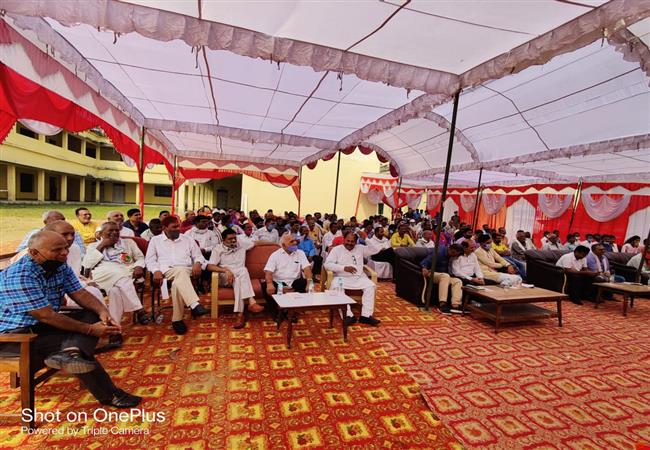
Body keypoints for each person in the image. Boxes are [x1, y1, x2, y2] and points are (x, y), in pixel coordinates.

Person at [0, 230, 141, 408]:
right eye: (57, 250)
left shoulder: (58, 265)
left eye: (66, 248)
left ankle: (70, 352)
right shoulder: (20, 276)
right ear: (34, 253)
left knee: (90, 315)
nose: (65, 253)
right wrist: (90, 330)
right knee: (79, 345)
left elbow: (80, 293)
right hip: (14, 338)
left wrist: (103, 312)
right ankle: (110, 394)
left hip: (40, 327)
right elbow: (46, 315)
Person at [83, 222, 151, 342]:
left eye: (116, 230)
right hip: (103, 274)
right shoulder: (93, 246)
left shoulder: (128, 243)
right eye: (110, 231)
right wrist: (102, 245)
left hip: (126, 271)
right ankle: (139, 309)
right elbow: (87, 265)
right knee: (119, 276)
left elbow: (140, 257)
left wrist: (138, 266)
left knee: (115, 291)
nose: (114, 233)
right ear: (101, 233)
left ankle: (115, 330)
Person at [145, 216, 209, 334]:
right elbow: (150, 260)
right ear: (164, 228)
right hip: (166, 271)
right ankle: (189, 308)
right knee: (178, 277)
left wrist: (197, 263)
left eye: (178, 226)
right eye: (174, 227)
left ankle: (182, 315)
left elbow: (198, 256)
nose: (178, 229)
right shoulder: (155, 241)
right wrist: (155, 270)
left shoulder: (188, 239)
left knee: (179, 276)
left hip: (187, 270)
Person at [207, 229, 268, 329]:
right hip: (225, 277)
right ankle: (251, 301)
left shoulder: (242, 244)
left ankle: (240, 315)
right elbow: (210, 266)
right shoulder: (217, 249)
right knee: (243, 270)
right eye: (230, 239)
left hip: (239, 277)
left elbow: (257, 243)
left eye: (234, 238)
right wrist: (225, 270)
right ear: (223, 240)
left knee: (240, 276)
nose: (233, 240)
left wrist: (276, 244)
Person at [324, 231, 380, 326]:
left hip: (359, 278)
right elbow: (327, 264)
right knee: (337, 287)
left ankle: (366, 316)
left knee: (370, 286)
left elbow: (376, 250)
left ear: (356, 242)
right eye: (348, 241)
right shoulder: (337, 250)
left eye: (352, 241)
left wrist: (366, 239)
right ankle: (348, 315)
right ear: (344, 240)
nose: (349, 243)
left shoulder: (360, 248)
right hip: (341, 278)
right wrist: (343, 268)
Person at [263, 234, 314, 319]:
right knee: (265, 285)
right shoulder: (275, 255)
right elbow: (268, 272)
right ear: (283, 245)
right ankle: (276, 312)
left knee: (305, 282)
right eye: (291, 241)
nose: (295, 243)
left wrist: (309, 283)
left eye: (295, 241)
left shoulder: (300, 253)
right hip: (279, 283)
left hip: (294, 283)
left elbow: (307, 269)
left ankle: (292, 310)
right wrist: (269, 284)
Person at [17, 210, 86, 257]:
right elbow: (20, 252)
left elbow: (82, 254)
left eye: (63, 220)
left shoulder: (73, 234)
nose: (70, 238)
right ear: (45, 222)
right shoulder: (35, 233)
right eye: (56, 220)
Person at [420, 244, 463, 314]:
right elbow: (425, 261)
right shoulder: (439, 252)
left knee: (457, 281)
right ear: (451, 249)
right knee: (445, 276)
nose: (455, 256)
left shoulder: (452, 257)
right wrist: (424, 268)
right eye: (454, 253)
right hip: (432, 273)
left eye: (457, 254)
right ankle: (442, 304)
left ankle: (455, 304)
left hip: (443, 275)